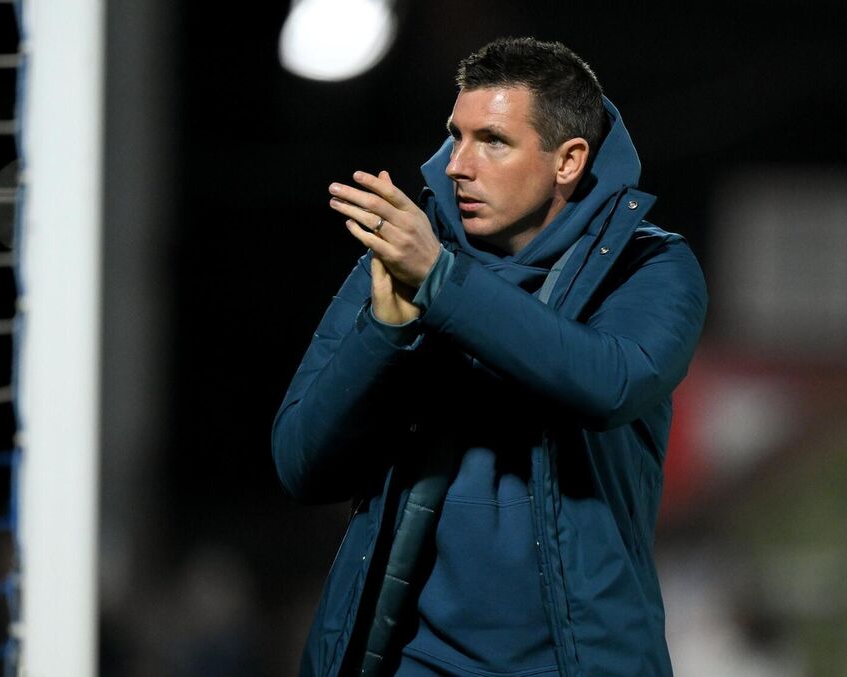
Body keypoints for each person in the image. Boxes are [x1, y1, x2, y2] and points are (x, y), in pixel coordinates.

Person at [272, 37, 707, 677]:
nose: (456, 164)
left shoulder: (647, 266)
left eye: (493, 141)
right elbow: (301, 464)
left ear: (568, 161)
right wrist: (386, 334)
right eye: (456, 135)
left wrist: (443, 284)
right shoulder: (404, 260)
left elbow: (611, 383)